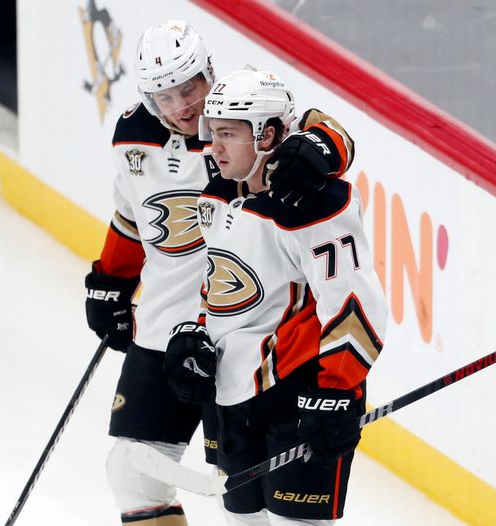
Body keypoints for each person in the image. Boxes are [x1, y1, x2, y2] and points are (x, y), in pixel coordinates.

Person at [83, 21, 355, 526]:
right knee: (133, 472)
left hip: (240, 339)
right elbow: (134, 214)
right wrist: (112, 279)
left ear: (211, 71)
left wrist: (319, 147)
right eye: (163, 96)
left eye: (189, 88)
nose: (181, 106)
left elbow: (325, 133)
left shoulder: (241, 113)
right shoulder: (133, 135)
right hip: (169, 327)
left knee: (244, 498)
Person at [163, 69, 388, 526]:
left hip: (297, 393)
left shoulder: (316, 207)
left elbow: (355, 306)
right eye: (213, 132)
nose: (215, 146)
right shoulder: (219, 191)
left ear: (267, 135)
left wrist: (337, 392)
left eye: (228, 134)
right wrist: (194, 336)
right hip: (232, 394)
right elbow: (223, 288)